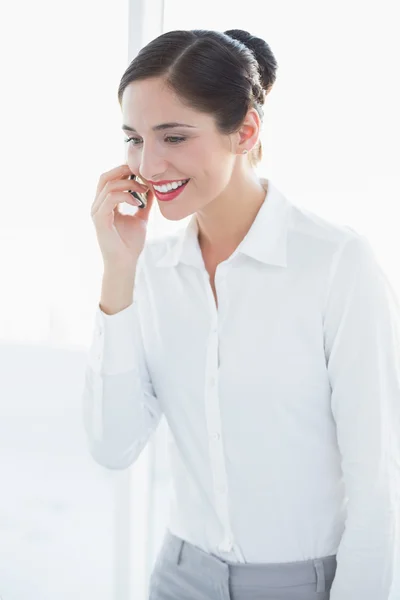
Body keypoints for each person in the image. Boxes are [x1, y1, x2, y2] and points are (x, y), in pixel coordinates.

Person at [82, 29, 400, 600]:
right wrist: (117, 273)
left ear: (246, 130)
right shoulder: (148, 273)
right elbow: (112, 445)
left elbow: (379, 488)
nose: (148, 164)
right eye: (134, 138)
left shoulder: (336, 265)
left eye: (173, 136)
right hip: (179, 578)